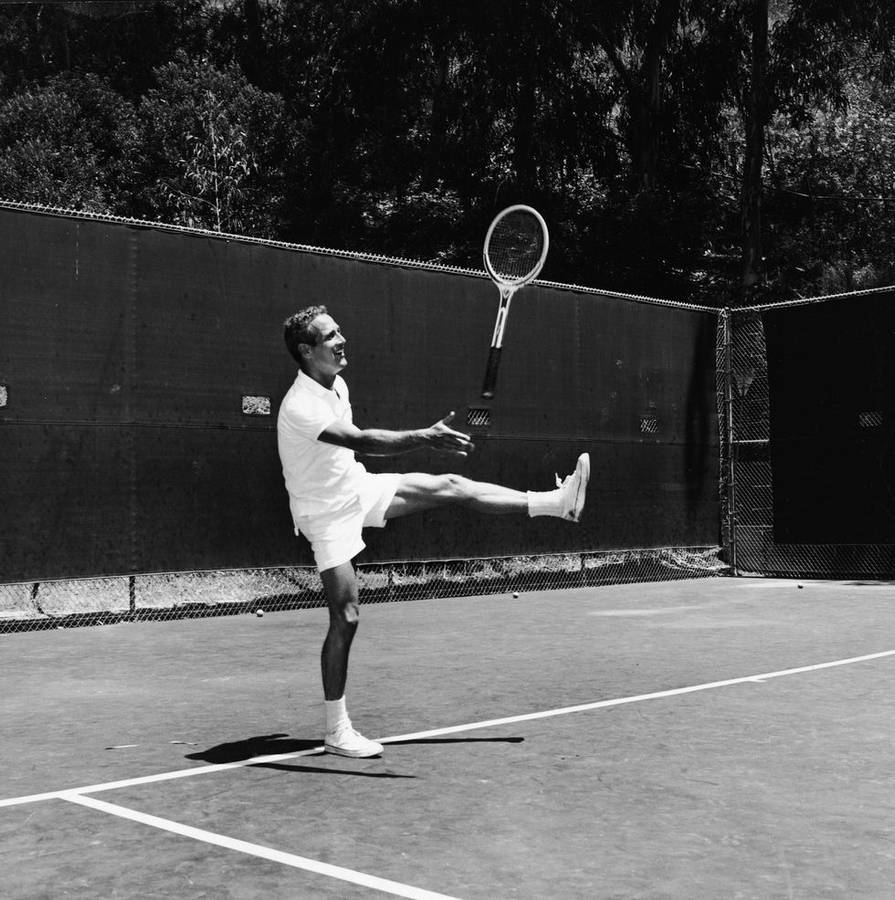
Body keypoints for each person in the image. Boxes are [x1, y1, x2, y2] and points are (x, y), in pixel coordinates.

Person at [277, 305, 590, 758]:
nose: (342, 340)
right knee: (346, 617)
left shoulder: (337, 384)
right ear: (307, 351)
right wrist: (425, 436)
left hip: (354, 487)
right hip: (323, 512)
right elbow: (362, 441)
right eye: (330, 337)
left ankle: (557, 504)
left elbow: (355, 452)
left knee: (451, 486)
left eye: (340, 330)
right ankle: (336, 730)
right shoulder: (300, 404)